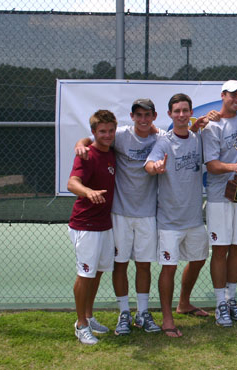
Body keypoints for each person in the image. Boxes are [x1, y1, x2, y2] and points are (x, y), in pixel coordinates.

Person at [74, 99, 163, 336]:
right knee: (120, 265)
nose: (143, 120)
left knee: (144, 265)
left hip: (147, 214)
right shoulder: (119, 135)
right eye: (138, 115)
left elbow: (183, 134)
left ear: (154, 116)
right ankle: (124, 313)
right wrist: (80, 142)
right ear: (132, 117)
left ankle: (142, 313)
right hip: (119, 214)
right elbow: (92, 140)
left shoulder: (160, 137)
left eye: (147, 115)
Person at [144, 93, 209, 337]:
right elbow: (149, 165)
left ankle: (184, 303)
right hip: (169, 221)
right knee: (169, 268)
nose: (181, 115)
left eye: (185, 110)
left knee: (199, 259)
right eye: (176, 111)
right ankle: (168, 319)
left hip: (193, 218)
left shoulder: (198, 139)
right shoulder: (163, 142)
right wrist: (156, 167)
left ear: (190, 112)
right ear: (170, 114)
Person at [201, 80, 237, 327]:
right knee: (221, 249)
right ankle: (219, 303)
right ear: (223, 95)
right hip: (219, 195)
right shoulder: (211, 126)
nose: (236, 99)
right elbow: (212, 165)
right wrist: (233, 166)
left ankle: (230, 298)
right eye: (232, 95)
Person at [67, 109, 117, 345]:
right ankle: (80, 324)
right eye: (102, 131)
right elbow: (72, 183)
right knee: (85, 274)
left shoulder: (112, 152)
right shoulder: (86, 155)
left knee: (96, 273)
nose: (107, 135)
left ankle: (88, 315)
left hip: (104, 225)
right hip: (85, 225)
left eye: (110, 130)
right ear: (94, 132)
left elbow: (88, 139)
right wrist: (88, 192)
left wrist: (82, 140)